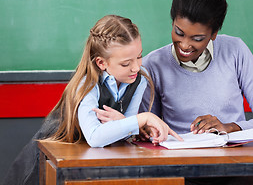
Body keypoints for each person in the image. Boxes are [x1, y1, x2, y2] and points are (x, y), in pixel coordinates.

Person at [2, 15, 181, 185]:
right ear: (101, 63)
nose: (136, 67)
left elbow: (127, 131)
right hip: (49, 159)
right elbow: (96, 137)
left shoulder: (140, 79)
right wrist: (143, 118)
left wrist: (126, 123)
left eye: (139, 56)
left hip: (84, 160)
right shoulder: (87, 84)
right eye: (126, 63)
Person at [139, 0, 253, 185]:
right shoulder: (153, 64)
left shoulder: (236, 50)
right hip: (182, 169)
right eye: (179, 32)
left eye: (197, 39)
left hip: (235, 167)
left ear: (214, 34)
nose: (185, 45)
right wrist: (149, 131)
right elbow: (147, 129)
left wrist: (229, 127)